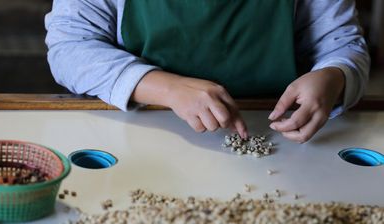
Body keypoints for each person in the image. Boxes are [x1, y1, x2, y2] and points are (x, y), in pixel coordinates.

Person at [45, 0, 370, 142]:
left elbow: (342, 45)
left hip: (280, 135)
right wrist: (165, 88)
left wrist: (333, 76)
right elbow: (69, 46)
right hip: (142, 128)